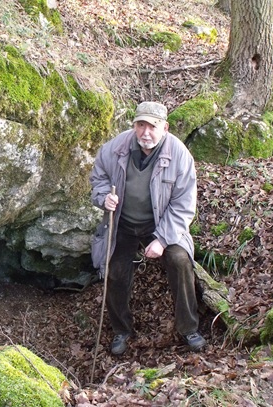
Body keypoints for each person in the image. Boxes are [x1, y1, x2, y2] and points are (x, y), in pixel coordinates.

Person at [89, 101, 206, 355]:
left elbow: (184, 205)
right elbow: (99, 178)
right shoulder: (115, 149)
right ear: (134, 126)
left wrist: (162, 240)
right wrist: (103, 198)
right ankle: (121, 330)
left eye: (152, 126)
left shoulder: (180, 155)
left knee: (180, 260)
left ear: (164, 127)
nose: (146, 132)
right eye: (140, 125)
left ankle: (189, 328)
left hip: (162, 223)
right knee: (115, 270)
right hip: (123, 223)